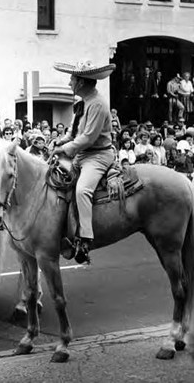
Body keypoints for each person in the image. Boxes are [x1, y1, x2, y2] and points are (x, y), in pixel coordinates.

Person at [52, 59, 116, 264]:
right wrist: (57, 141)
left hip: (97, 156)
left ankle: (85, 240)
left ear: (81, 82)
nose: (69, 83)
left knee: (82, 190)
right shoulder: (83, 102)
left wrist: (63, 149)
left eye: (72, 79)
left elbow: (88, 137)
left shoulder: (97, 104)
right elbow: (73, 132)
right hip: (81, 155)